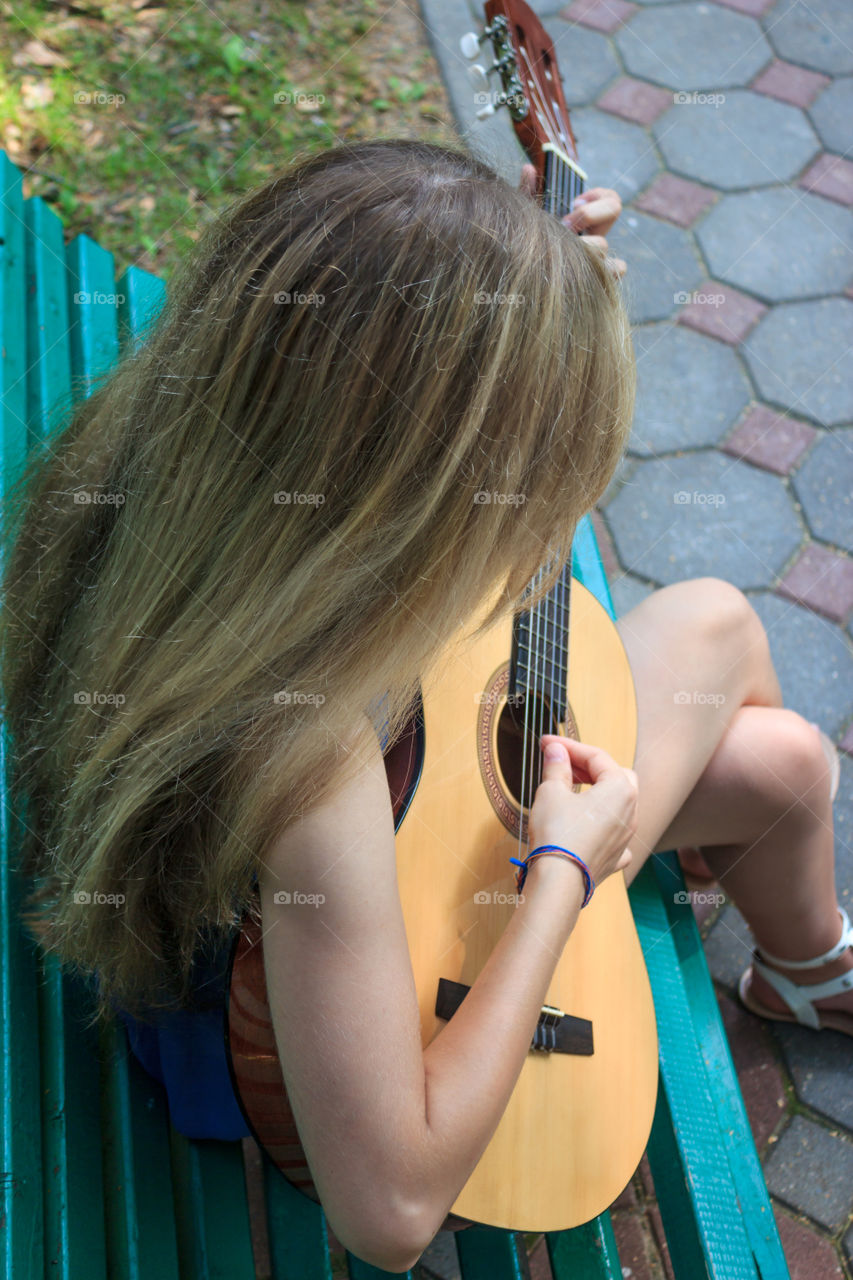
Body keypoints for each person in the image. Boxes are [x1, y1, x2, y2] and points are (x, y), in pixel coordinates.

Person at [2, 139, 849, 1274]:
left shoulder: (204, 479)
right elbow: (390, 1212)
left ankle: (782, 941)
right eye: (523, 467)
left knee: (745, 686)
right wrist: (562, 870)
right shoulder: (311, 761)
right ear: (413, 501)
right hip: (295, 1040)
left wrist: (537, 290)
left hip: (333, 878)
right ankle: (775, 943)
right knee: (769, 732)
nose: (536, 513)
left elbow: (394, 347)